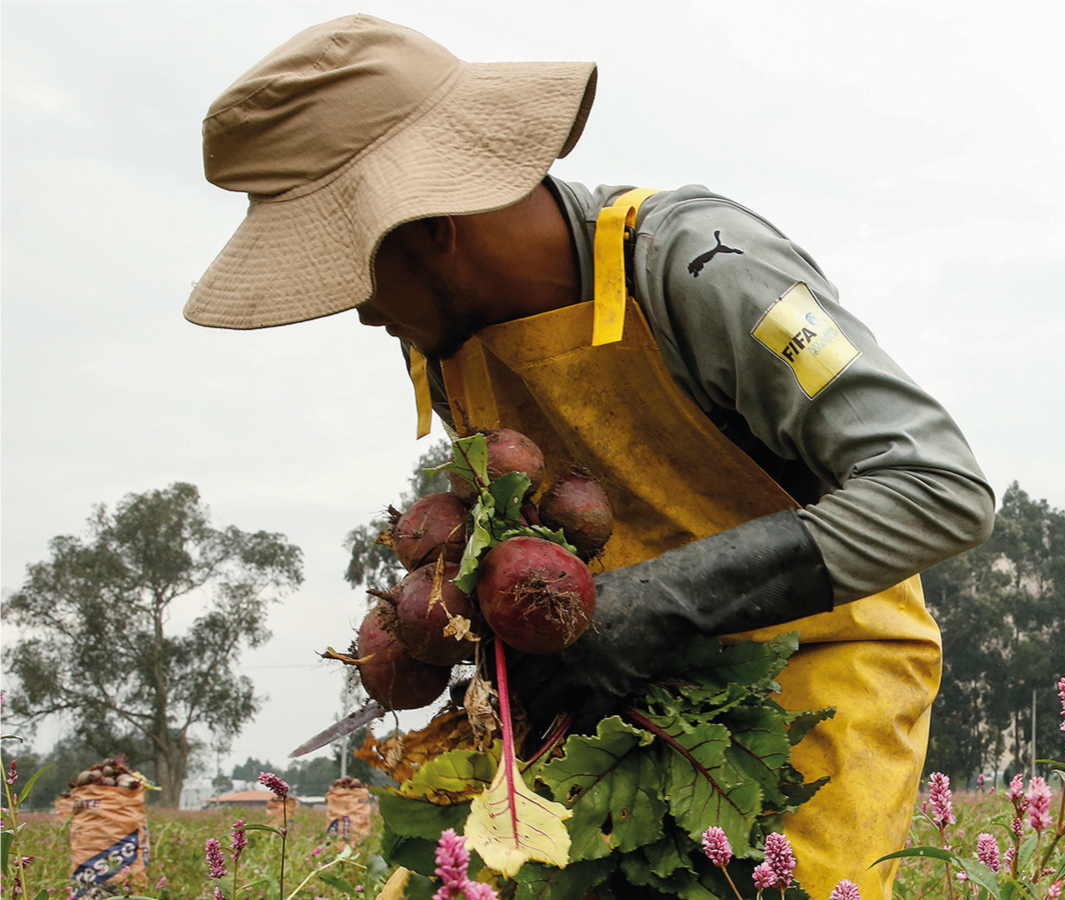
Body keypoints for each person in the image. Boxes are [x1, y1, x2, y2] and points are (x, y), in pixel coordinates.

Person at [185, 15, 994, 898]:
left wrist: (665, 599)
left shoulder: (706, 269)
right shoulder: (442, 338)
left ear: (431, 228)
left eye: (353, 274)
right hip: (610, 696)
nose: (360, 312)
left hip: (814, 676)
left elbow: (939, 489)